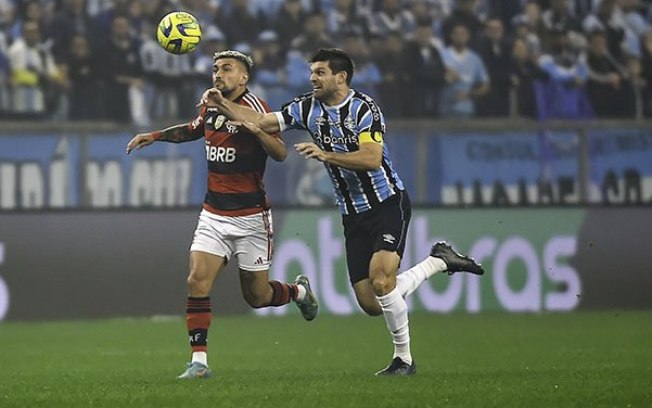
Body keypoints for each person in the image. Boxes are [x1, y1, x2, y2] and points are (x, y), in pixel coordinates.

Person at [199, 48, 485, 376]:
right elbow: (261, 121)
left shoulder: (364, 109)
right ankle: (439, 260)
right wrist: (221, 103)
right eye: (312, 72)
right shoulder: (307, 107)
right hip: (352, 213)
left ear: (341, 77)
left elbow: (371, 158)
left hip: (386, 202)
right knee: (372, 303)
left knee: (381, 279)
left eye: (320, 72)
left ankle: (403, 360)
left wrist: (326, 155)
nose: (313, 78)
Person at [125, 50, 319, 380]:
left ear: (243, 78)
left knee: (257, 296)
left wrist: (256, 131)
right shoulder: (210, 106)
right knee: (196, 281)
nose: (219, 74)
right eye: (216, 68)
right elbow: (192, 129)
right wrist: (154, 136)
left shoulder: (256, 109)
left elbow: (281, 153)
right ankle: (199, 362)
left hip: (251, 217)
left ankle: (298, 292)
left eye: (227, 69)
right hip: (214, 214)